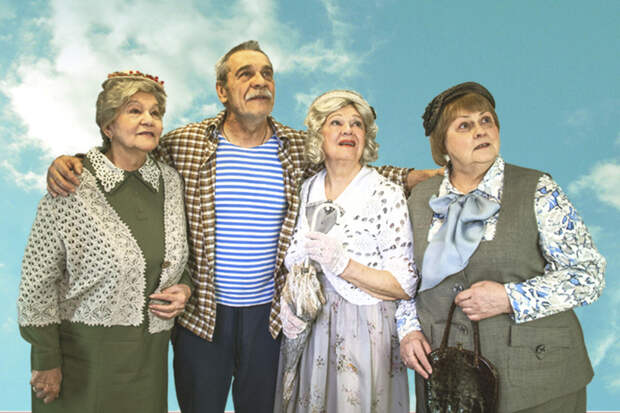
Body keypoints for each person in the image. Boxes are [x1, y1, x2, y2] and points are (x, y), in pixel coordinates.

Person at [45, 41, 439, 413]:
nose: (259, 82)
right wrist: (76, 161)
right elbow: (128, 154)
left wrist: (414, 177)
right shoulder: (184, 143)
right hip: (202, 317)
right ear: (222, 90)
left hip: (268, 320)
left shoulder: (295, 147)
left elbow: (348, 165)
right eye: (245, 74)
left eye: (267, 74)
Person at [397, 81, 606, 413]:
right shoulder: (420, 198)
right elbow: (404, 279)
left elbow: (588, 275)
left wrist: (510, 297)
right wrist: (408, 331)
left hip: (540, 380)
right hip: (449, 384)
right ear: (442, 144)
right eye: (464, 125)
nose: (480, 131)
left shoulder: (538, 189)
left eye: (486, 121)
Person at [18, 70, 192, 412]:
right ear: (108, 126)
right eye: (135, 110)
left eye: (155, 112)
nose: (149, 119)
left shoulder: (170, 182)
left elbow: (174, 260)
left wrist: (183, 288)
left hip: (149, 362)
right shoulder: (71, 185)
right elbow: (37, 284)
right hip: (81, 365)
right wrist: (45, 359)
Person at [274, 90, 418, 413]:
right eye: (336, 122)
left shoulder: (385, 193)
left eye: (357, 124)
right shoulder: (306, 189)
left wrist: (343, 264)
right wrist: (290, 300)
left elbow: (404, 284)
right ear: (318, 134)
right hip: (310, 329)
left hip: (363, 331)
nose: (348, 130)